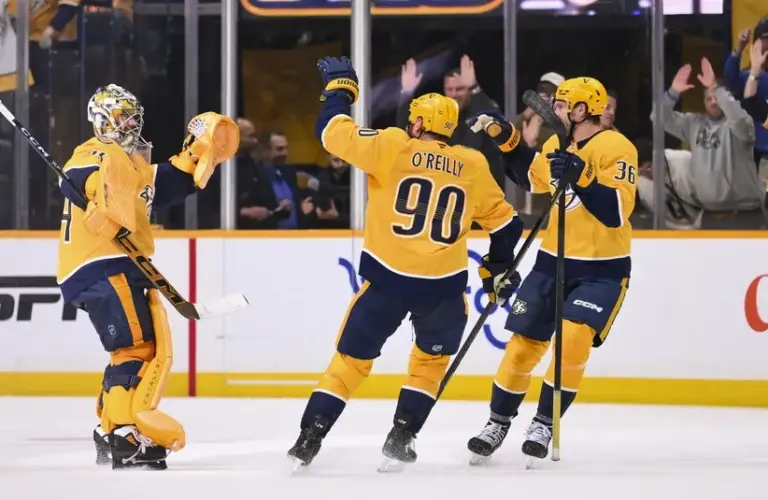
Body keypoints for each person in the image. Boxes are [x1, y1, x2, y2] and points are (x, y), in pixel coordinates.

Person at [288, 57, 523, 472]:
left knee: (350, 363)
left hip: (387, 281)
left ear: (416, 123)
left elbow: (330, 132)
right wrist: (497, 268)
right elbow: (507, 224)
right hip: (443, 289)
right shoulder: (472, 164)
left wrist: (341, 89)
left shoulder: (393, 145)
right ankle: (402, 435)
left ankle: (311, 436)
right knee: (429, 364)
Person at [56, 84, 237, 469]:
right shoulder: (96, 152)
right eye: (124, 117)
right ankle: (124, 435)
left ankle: (110, 430)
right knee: (136, 351)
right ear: (103, 121)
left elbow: (164, 184)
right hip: (102, 264)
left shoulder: (130, 163)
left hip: (111, 264)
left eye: (135, 116)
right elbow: (76, 176)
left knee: (137, 349)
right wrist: (97, 197)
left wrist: (195, 155)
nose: (132, 124)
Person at [467, 77, 637, 466]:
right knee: (522, 347)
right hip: (551, 262)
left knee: (572, 343)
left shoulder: (617, 147)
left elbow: (614, 213)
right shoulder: (556, 144)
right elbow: (527, 176)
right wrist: (505, 138)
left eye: (562, 105)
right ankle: (497, 423)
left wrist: (583, 176)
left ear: (581, 111)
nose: (554, 110)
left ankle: (543, 422)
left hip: (602, 270)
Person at [650, 59, 764, 228]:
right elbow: (657, 118)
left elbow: (738, 119)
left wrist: (717, 89)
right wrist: (673, 93)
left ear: (726, 97)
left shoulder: (741, 123)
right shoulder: (694, 124)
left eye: (716, 97)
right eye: (708, 98)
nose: (713, 101)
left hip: (745, 214)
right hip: (709, 215)